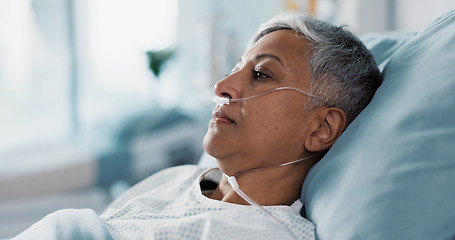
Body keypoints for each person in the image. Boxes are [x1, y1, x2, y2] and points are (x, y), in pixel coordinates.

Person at [13, 14, 380, 240]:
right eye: (235, 66)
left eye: (260, 74)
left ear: (321, 128)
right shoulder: (178, 179)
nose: (222, 85)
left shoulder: (261, 234)